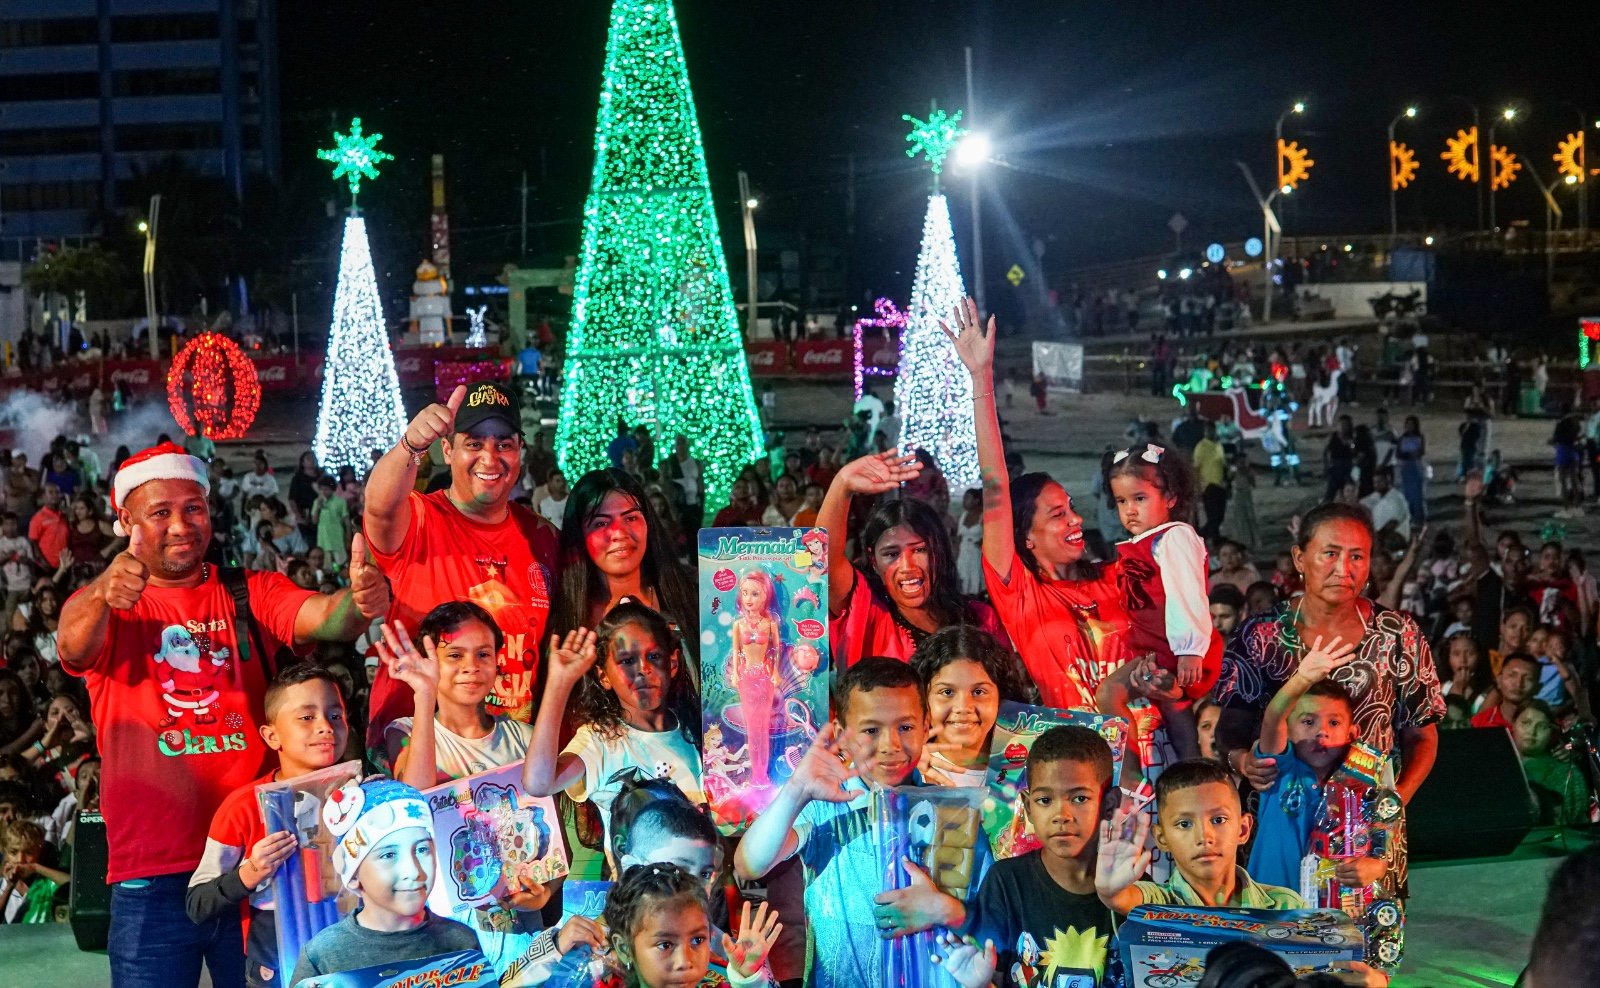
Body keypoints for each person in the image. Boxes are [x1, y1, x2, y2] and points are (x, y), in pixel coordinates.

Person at [57, 442, 388, 988]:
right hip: (152, 872)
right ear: (125, 520)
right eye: (160, 512)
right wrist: (100, 593)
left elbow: (326, 619)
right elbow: (71, 647)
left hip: (260, 861)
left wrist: (359, 600)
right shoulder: (109, 605)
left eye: (194, 508)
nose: (182, 525)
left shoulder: (247, 592)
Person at [941, 297, 1129, 710]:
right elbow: (995, 485)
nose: (1076, 519)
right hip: (1079, 760)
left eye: (1072, 507)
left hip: (1156, 754)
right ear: (1024, 537)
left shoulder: (1114, 577)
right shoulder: (1021, 594)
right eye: (1058, 514)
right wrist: (980, 378)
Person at [735, 658, 966, 988]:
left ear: (926, 725)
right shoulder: (825, 807)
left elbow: (985, 916)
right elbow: (749, 864)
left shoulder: (952, 810)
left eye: (906, 727)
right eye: (871, 730)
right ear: (842, 734)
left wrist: (946, 911)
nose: (891, 745)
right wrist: (797, 791)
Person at [363, 382, 559, 760]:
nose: (490, 457)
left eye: (504, 444)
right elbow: (379, 507)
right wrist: (411, 444)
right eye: (474, 443)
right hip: (413, 754)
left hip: (511, 757)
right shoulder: (419, 518)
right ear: (447, 449)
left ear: (520, 452)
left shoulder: (544, 538)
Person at [186, 664, 350, 988]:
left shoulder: (363, 793)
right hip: (276, 958)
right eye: (307, 717)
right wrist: (249, 873)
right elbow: (197, 903)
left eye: (335, 715)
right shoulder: (243, 807)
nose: (325, 727)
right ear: (272, 735)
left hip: (354, 950)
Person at [523, 601, 703, 851]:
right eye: (627, 660)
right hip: (639, 889)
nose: (643, 670)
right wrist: (559, 684)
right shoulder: (600, 741)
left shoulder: (698, 732)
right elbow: (538, 783)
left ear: (672, 663)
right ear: (603, 676)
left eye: (654, 656)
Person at [961, 726, 1118, 987]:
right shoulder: (1006, 882)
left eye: (1079, 798)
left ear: (1109, 804)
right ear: (1028, 806)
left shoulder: (1132, 893)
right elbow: (992, 978)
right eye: (1045, 800)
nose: (1062, 815)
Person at [818, 451, 1009, 665]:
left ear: (939, 551)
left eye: (919, 550)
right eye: (891, 554)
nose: (907, 566)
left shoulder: (981, 618)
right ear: (873, 561)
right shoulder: (865, 613)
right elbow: (822, 561)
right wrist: (842, 485)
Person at [1096, 443, 1222, 761]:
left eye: (1140, 498)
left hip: (1176, 650)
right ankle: (1191, 768)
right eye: (1121, 501)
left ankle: (1128, 773)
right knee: (1173, 706)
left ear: (1170, 498)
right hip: (1159, 648)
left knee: (1110, 693)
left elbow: (1187, 593)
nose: (1130, 510)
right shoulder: (1144, 543)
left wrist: (1190, 649)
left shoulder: (1174, 537)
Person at [287, 780, 479, 985]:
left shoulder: (461, 941)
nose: (413, 871)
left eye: (422, 849)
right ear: (352, 875)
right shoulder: (322, 956)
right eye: (389, 855)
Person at [1246, 640, 1395, 899]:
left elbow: (1383, 835)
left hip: (1334, 919)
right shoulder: (1280, 769)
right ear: (1288, 730)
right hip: (1270, 911)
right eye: (1307, 721)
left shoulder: (1365, 782)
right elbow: (1274, 716)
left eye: (1334, 722)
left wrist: (1376, 865)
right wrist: (1302, 678)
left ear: (1353, 734)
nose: (1321, 731)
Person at [1095, 759, 1305, 911]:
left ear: (1243, 829)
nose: (1204, 836)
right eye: (1184, 824)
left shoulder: (1284, 907)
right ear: (1161, 838)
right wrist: (1109, 892)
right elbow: (1124, 899)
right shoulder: (1158, 904)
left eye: (1218, 820)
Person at [603, 862, 778, 988]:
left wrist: (749, 980)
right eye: (665, 945)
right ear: (624, 948)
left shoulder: (720, 981)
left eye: (697, 940)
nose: (684, 961)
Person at [910, 626, 1026, 788]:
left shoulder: (1028, 765)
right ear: (923, 697)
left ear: (1001, 697)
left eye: (979, 691)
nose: (963, 707)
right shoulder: (909, 769)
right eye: (947, 692)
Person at [1512, 700, 1593, 828]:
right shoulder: (1498, 770)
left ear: (1551, 732)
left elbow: (1580, 825)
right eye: (1525, 723)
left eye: (1541, 726)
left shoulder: (1569, 774)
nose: (1532, 731)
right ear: (1513, 725)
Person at [0, 819, 70, 923]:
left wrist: (35, 867)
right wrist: (9, 886)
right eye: (13, 852)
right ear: (5, 853)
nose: (20, 859)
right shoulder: (1, 885)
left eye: (28, 852)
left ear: (39, 852)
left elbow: (73, 885)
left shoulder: (48, 884)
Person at [1470, 653, 1540, 729]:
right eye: (1512, 675)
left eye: (1528, 678)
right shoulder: (1479, 723)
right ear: (1499, 681)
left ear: (1537, 688)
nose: (1519, 683)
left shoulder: (1543, 726)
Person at [1361, 466, 1411, 553]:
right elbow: (1362, 503)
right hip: (1380, 535)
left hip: (1397, 537)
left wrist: (1376, 537)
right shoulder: (1377, 496)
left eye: (1380, 481)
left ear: (1388, 480)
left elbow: (1393, 523)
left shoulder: (1396, 498)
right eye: (1375, 482)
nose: (1377, 485)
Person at [311, 474, 350, 572]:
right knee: (326, 567)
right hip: (323, 540)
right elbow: (314, 521)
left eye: (326, 489)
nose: (324, 492)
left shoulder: (340, 502)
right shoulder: (317, 502)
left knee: (342, 565)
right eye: (322, 489)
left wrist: (348, 538)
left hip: (337, 539)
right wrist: (318, 507)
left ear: (332, 489)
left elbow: (346, 521)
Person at [1395, 415, 1427, 525]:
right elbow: (1399, 453)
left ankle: (1418, 517)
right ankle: (1409, 515)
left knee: (1417, 493)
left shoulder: (1420, 437)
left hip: (1416, 467)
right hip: (1406, 467)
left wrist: (1412, 453)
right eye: (1408, 424)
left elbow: (1421, 451)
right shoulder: (1402, 438)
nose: (1409, 427)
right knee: (1407, 493)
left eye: (1411, 424)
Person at [27, 483, 67, 570]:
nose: (55, 495)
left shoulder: (64, 516)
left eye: (57, 492)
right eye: (51, 492)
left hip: (64, 564)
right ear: (44, 496)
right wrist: (42, 561)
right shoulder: (38, 517)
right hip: (46, 565)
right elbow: (32, 542)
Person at [955, 489, 984, 597]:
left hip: (976, 552)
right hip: (963, 552)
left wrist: (983, 543)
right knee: (963, 580)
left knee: (975, 580)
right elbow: (959, 536)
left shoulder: (983, 515)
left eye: (967, 498)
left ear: (976, 500)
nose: (964, 501)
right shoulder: (964, 515)